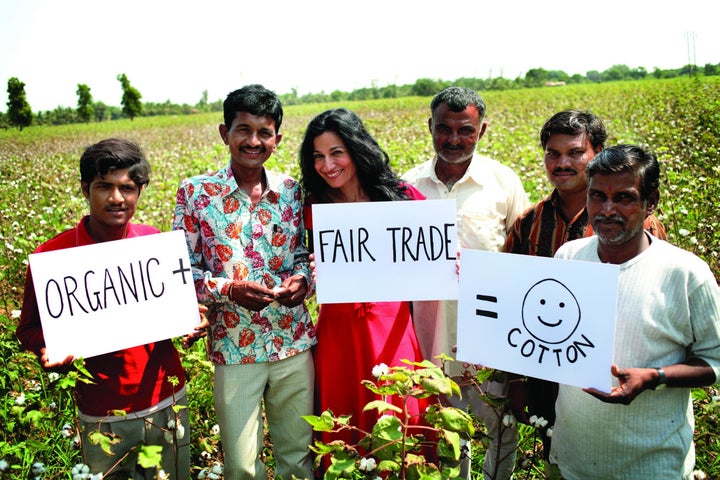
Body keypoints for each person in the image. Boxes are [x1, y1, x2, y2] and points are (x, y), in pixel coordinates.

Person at [17, 138, 202, 480]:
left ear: (139, 191)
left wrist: (192, 321)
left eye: (127, 188)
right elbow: (27, 329)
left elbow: (178, 311)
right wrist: (48, 347)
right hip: (101, 413)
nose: (117, 198)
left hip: (165, 399)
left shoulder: (154, 243)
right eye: (104, 187)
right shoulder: (51, 258)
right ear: (85, 188)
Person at [503, 110, 667, 471]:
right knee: (562, 459)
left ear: (598, 155)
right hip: (549, 379)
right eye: (552, 153)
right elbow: (511, 304)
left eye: (575, 152)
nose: (562, 163)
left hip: (618, 375)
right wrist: (515, 380)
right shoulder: (529, 223)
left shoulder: (639, 222)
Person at [550, 144, 720, 479]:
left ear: (651, 202)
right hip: (572, 459)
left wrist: (654, 378)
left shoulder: (685, 274)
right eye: (597, 196)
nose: (607, 209)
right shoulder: (568, 258)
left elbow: (715, 360)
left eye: (624, 198)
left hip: (653, 465)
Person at [173, 84, 316, 479]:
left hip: (293, 344)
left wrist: (302, 280)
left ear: (278, 138)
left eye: (264, 132)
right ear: (225, 133)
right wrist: (229, 290)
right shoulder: (196, 193)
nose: (254, 141)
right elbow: (180, 274)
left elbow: (302, 255)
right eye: (243, 130)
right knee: (240, 467)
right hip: (234, 350)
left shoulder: (291, 191)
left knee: (298, 460)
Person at [403, 86, 529, 480]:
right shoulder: (406, 187)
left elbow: (523, 259)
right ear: (430, 127)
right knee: (447, 435)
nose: (453, 139)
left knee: (498, 429)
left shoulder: (503, 183)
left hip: (493, 336)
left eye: (465, 130)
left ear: (483, 130)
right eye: (444, 128)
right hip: (430, 341)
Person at [299, 108, 430, 461]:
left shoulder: (401, 197)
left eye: (336, 153)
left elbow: (430, 252)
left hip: (392, 327)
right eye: (318, 157)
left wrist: (452, 257)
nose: (327, 165)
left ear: (357, 150)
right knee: (343, 427)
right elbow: (296, 270)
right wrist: (311, 271)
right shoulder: (312, 207)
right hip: (337, 333)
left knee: (397, 420)